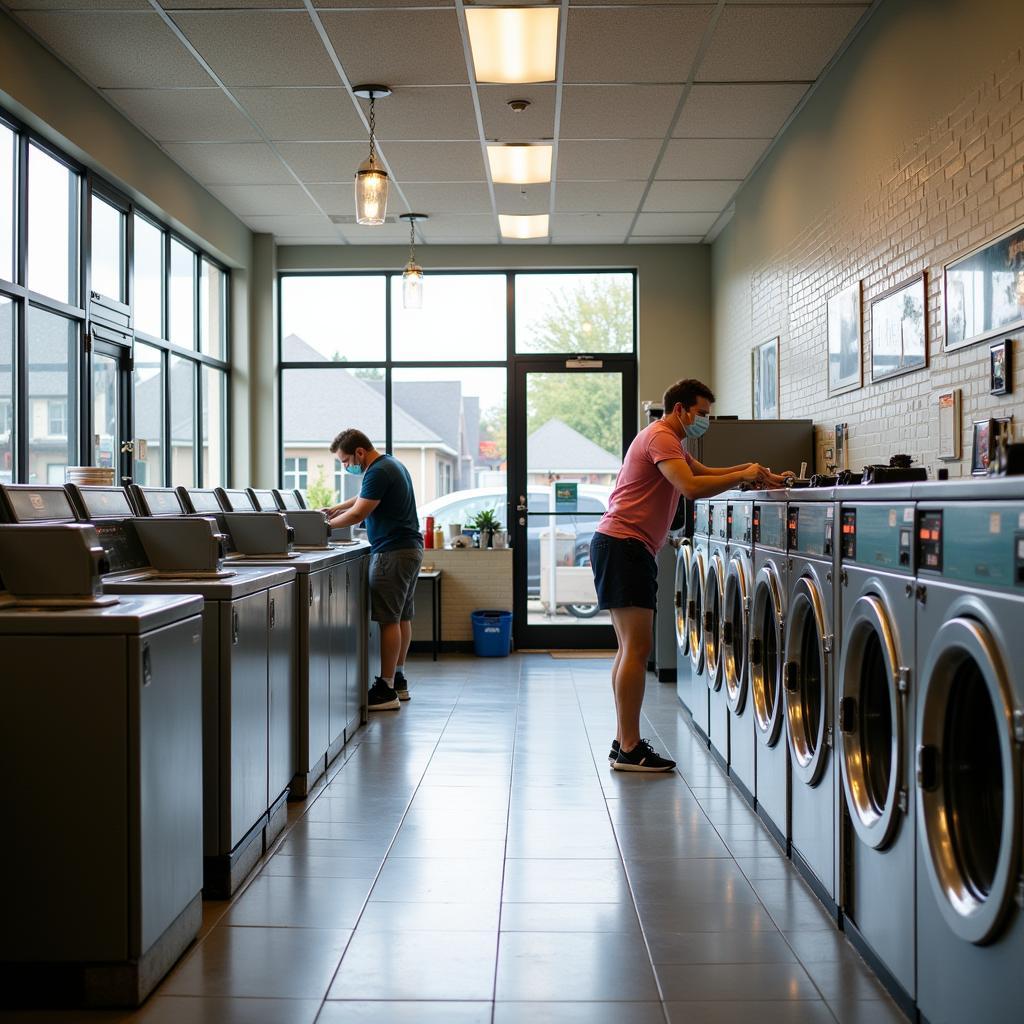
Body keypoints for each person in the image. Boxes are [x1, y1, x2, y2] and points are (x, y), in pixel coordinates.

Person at [591, 378, 789, 772]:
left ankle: (622, 741)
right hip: (625, 546)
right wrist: (744, 474)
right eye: (701, 414)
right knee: (637, 648)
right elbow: (691, 487)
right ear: (679, 409)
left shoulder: (669, 441)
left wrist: (753, 472)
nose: (705, 422)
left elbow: (705, 471)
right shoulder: (662, 437)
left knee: (628, 648)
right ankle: (629, 747)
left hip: (621, 544)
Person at [324, 429, 424, 711]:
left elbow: (358, 513)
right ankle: (398, 680)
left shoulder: (378, 471)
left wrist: (321, 527)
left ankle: (385, 690)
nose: (346, 467)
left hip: (392, 552)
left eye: (345, 461)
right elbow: (360, 499)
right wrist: (334, 509)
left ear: (359, 452)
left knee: (388, 620)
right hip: (409, 549)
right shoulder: (390, 464)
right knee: (401, 617)